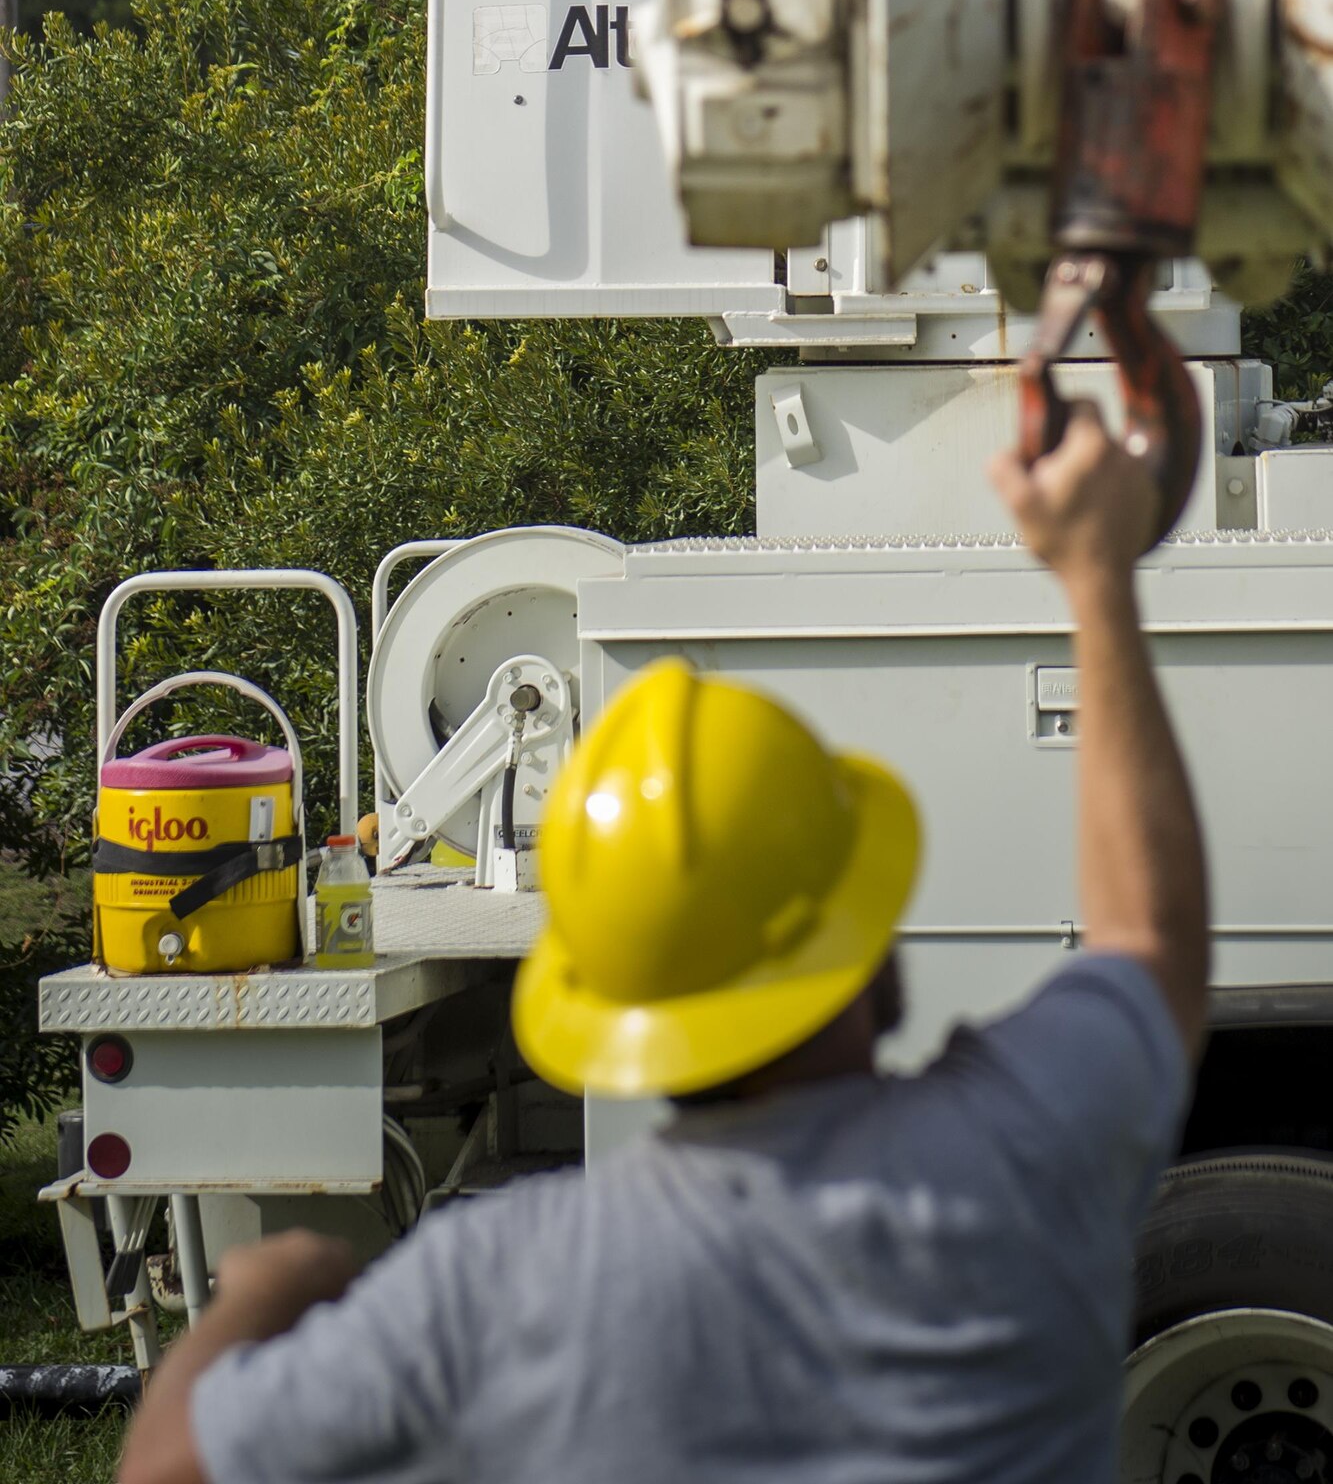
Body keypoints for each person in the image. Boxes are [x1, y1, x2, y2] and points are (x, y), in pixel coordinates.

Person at [119, 403, 1208, 1484]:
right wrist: (1096, 574)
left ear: (608, 1002)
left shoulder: (489, 1285)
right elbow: (1148, 939)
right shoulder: (1023, 1153)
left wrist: (265, 1291)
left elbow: (165, 1467)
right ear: (871, 953)